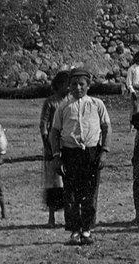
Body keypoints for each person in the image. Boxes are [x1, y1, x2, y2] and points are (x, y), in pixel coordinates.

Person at [49, 67, 112, 245]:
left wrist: (104, 152)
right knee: (71, 194)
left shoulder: (97, 104)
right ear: (69, 86)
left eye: (81, 84)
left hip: (92, 153)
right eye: (74, 84)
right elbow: (54, 132)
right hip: (70, 154)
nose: (78, 88)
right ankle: (74, 231)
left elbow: (106, 128)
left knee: (89, 193)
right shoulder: (63, 106)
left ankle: (86, 230)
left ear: (88, 86)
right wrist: (56, 156)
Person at [38, 71, 70, 226]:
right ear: (59, 85)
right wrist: (47, 144)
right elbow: (43, 125)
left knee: (67, 181)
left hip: (68, 142)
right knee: (53, 181)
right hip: (53, 143)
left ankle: (67, 217)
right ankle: (51, 217)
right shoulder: (51, 102)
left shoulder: (71, 101)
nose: (69, 87)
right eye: (66, 84)